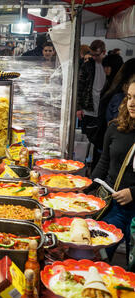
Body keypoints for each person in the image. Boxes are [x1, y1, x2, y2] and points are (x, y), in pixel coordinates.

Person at [89, 77, 135, 265]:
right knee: (99, 256)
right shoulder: (116, 127)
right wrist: (82, 190)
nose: (132, 103)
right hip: (112, 205)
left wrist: (133, 192)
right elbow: (104, 163)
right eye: (130, 97)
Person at [90, 59, 135, 162]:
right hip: (109, 154)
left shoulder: (113, 89)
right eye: (129, 97)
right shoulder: (119, 98)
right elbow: (118, 131)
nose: (131, 103)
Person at [76, 39, 107, 171]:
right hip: (88, 108)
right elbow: (80, 86)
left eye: (97, 55)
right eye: (92, 54)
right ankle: (86, 166)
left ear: (104, 52)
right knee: (88, 138)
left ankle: (94, 167)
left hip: (102, 109)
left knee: (98, 142)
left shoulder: (109, 64)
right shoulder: (88, 64)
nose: (94, 57)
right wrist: (78, 108)